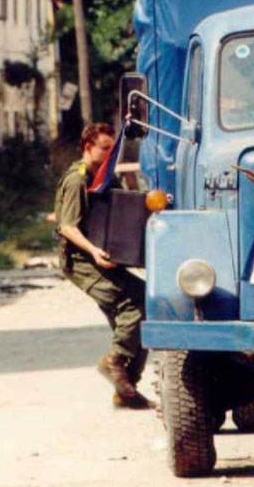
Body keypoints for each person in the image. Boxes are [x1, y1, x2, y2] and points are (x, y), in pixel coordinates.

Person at [55, 123, 152, 409]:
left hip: (102, 256)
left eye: (113, 149)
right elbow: (68, 227)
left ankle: (126, 390)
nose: (111, 154)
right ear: (88, 147)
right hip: (81, 260)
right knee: (133, 305)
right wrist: (95, 252)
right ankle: (114, 361)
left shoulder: (104, 176)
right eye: (105, 148)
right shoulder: (77, 180)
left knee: (143, 309)